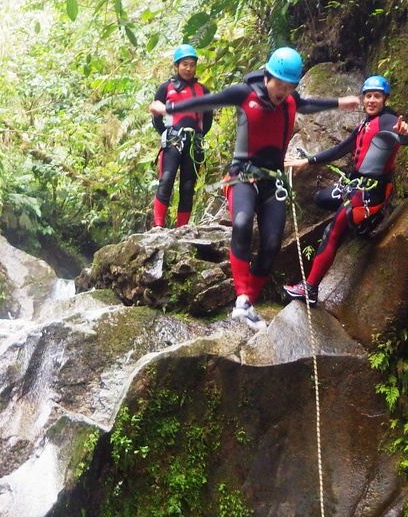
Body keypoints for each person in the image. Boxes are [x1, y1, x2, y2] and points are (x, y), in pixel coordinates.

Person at [149, 46, 360, 330]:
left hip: (273, 180)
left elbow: (307, 104)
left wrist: (339, 103)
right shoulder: (244, 93)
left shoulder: (290, 100)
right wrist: (168, 108)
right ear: (269, 76)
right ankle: (241, 299)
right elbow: (209, 100)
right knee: (243, 222)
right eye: (280, 84)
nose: (283, 91)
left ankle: (249, 303)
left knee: (272, 244)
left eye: (289, 86)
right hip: (243, 175)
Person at [282, 75, 408, 304]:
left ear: (385, 99)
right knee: (321, 198)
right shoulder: (365, 123)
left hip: (371, 192)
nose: (371, 100)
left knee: (333, 230)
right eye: (368, 96)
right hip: (355, 185)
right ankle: (359, 223)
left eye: (377, 96)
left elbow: (403, 137)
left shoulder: (388, 120)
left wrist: (404, 134)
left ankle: (310, 289)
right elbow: (341, 148)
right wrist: (308, 161)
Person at [151, 44, 214, 228]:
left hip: (193, 143)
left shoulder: (203, 91)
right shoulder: (166, 88)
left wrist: (199, 136)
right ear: (177, 66)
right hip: (173, 141)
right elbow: (156, 117)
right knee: (167, 179)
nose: (188, 68)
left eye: (192, 64)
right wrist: (165, 134)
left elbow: (207, 119)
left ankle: (182, 229)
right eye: (184, 64)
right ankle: (158, 226)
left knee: (187, 187)